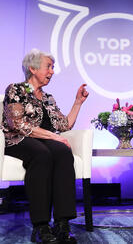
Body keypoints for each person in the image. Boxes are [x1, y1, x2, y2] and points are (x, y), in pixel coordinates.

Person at [1, 49, 89, 244]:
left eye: (53, 67)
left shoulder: (48, 98)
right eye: (48, 67)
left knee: (64, 152)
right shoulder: (16, 90)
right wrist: (52, 136)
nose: (52, 71)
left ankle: (62, 223)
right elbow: (17, 124)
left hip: (43, 141)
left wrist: (77, 103)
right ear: (32, 68)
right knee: (42, 154)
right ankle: (40, 225)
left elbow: (64, 125)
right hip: (17, 140)